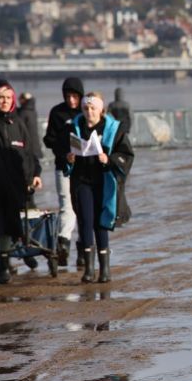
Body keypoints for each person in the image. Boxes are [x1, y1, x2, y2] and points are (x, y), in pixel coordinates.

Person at [65, 92, 134, 284]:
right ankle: (88, 269)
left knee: (101, 223)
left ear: (101, 109)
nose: (89, 112)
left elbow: (127, 154)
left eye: (93, 108)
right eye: (86, 108)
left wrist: (108, 159)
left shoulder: (114, 128)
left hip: (104, 181)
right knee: (86, 221)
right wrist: (68, 158)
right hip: (82, 181)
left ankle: (105, 269)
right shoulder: (74, 126)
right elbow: (62, 151)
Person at [0, 80, 43, 286]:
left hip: (14, 186)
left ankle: (4, 268)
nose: (5, 101)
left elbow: (29, 153)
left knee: (9, 226)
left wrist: (35, 174)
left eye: (8, 97)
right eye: (0, 97)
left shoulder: (18, 123)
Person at [43, 77, 84, 269]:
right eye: (68, 96)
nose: (71, 100)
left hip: (85, 169)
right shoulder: (57, 112)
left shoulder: (86, 111)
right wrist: (64, 152)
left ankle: (83, 251)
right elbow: (49, 140)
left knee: (84, 209)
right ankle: (63, 244)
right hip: (63, 166)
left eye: (75, 96)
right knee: (66, 206)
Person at [107, 87, 133, 224]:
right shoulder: (126, 105)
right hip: (124, 131)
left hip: (114, 133)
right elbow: (131, 117)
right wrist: (128, 128)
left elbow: (109, 117)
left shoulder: (112, 105)